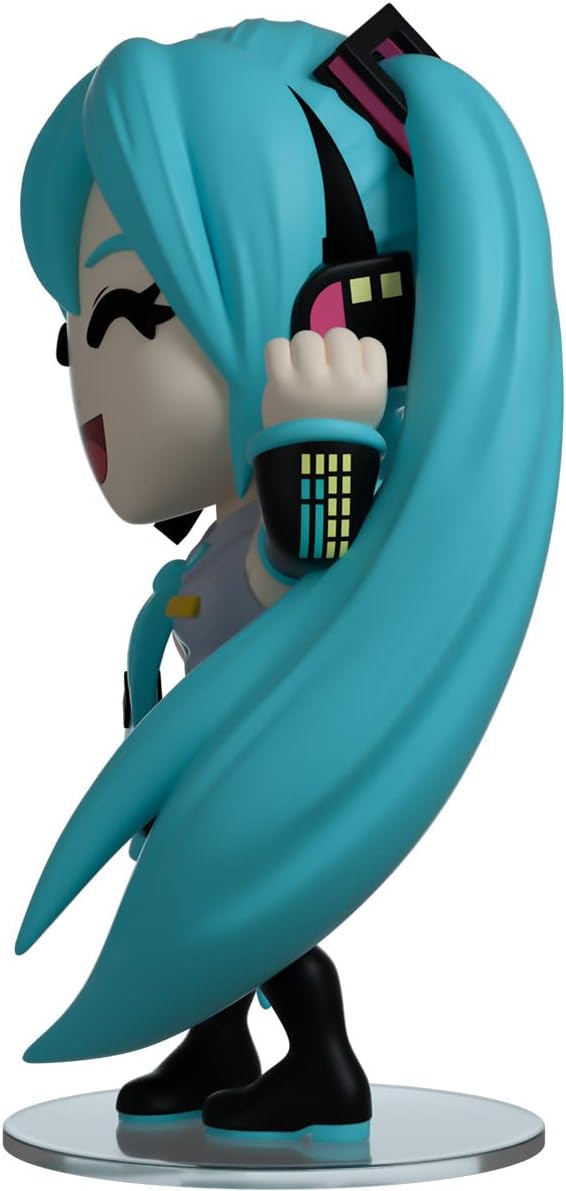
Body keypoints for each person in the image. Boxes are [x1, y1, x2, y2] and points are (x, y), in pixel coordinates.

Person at [15, 14, 561, 1140]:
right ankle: (216, 1042)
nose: (88, 383)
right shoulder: (222, 529)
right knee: (202, 905)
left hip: (247, 777)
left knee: (258, 924)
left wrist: (319, 445)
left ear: (314, 308)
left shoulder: (279, 521)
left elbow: (304, 562)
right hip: (195, 765)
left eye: (129, 316)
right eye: (74, 337)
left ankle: (320, 1064)